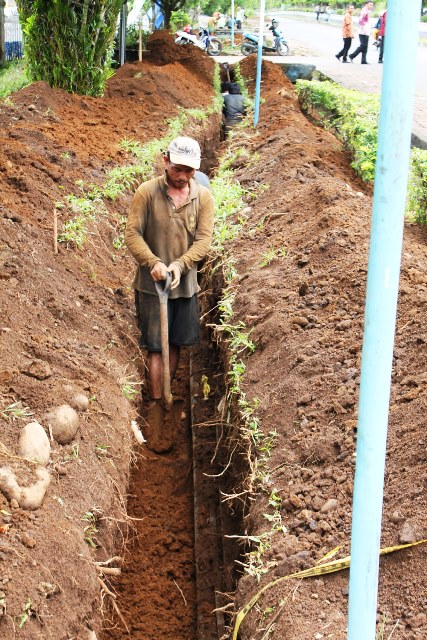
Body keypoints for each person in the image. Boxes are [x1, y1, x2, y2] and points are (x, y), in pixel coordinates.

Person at [125, 137, 214, 409]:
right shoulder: (147, 192)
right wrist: (153, 262)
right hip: (152, 287)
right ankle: (155, 403)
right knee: (155, 346)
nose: (182, 176)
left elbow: (204, 241)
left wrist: (179, 265)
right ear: (166, 162)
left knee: (174, 343)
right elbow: (132, 234)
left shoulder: (204, 197)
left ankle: (167, 394)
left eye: (188, 171)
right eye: (177, 169)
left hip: (184, 285)